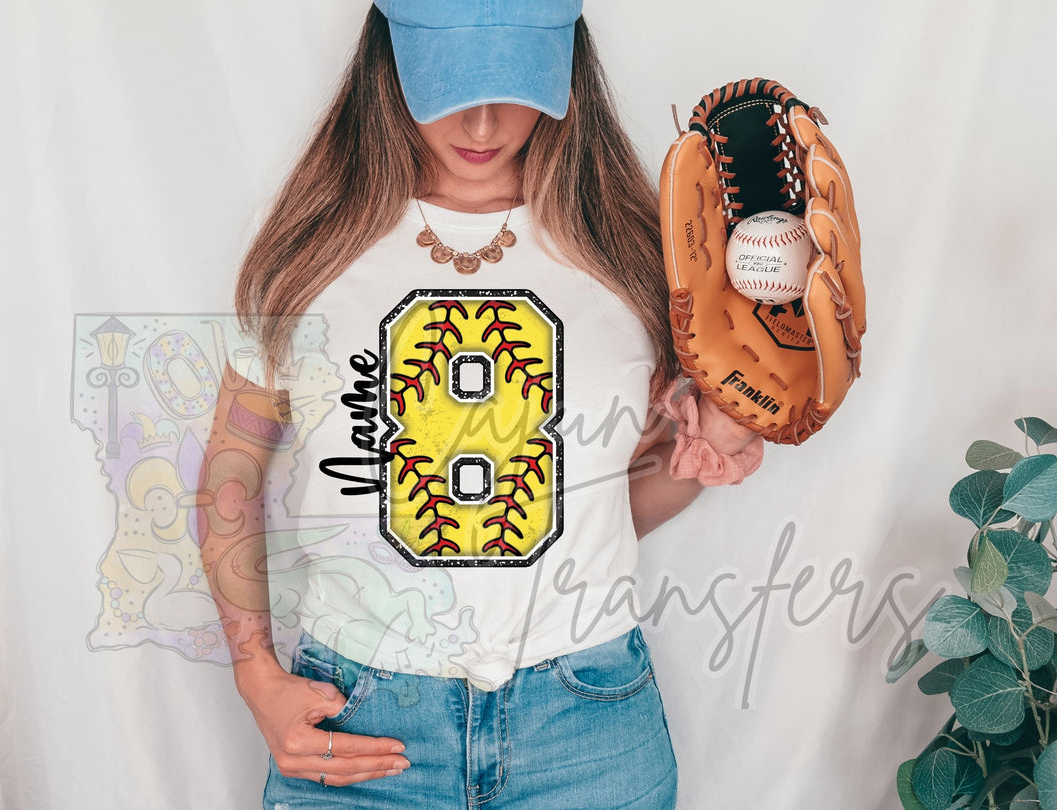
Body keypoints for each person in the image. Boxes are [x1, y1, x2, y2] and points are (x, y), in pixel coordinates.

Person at [200, 2, 763, 807]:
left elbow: (600, 510)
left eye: (515, 85)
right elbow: (231, 469)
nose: (483, 123)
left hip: (585, 730)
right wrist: (255, 675)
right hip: (359, 725)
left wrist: (707, 455)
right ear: (389, 58)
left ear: (567, 65)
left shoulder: (640, 248)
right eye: (453, 85)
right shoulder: (306, 240)